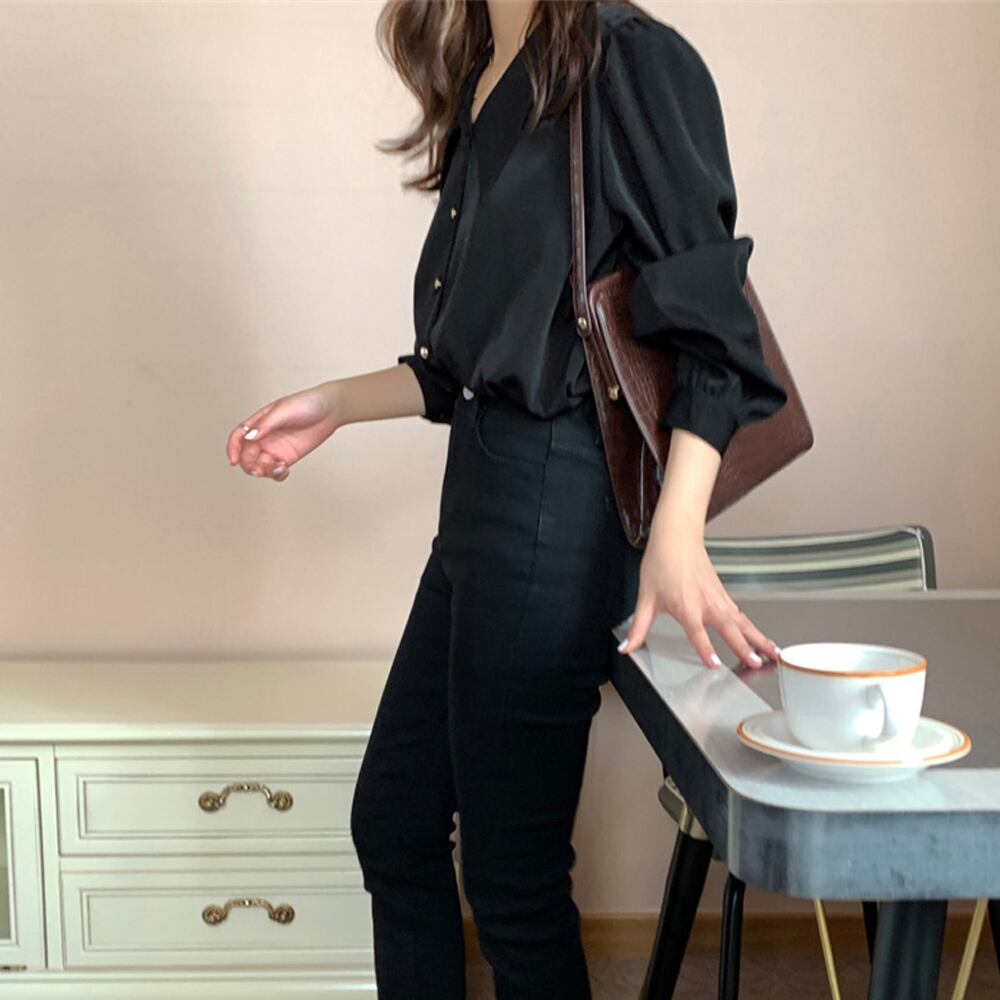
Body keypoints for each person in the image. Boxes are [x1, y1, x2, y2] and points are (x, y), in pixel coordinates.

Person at [226, 2, 787, 996]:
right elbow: (477, 361)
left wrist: (678, 531)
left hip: (555, 499)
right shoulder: (488, 67)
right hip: (483, 488)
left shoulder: (627, 59)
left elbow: (713, 329)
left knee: (511, 880)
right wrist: (336, 405)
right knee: (395, 822)